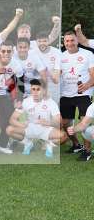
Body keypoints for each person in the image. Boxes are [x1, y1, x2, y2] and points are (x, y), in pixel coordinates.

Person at [6, 79, 67, 158]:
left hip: (45, 129)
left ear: (43, 90)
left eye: (38, 89)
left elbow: (59, 121)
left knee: (64, 136)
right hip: (29, 128)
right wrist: (21, 125)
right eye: (33, 89)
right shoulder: (26, 101)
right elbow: (12, 119)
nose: (35, 92)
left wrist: (48, 123)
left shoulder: (50, 102)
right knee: (9, 129)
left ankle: (49, 144)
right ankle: (28, 143)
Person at [60, 31, 94, 161]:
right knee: (65, 123)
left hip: (83, 93)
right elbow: (58, 74)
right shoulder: (61, 56)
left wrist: (87, 85)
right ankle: (76, 145)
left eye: (72, 40)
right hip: (66, 94)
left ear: (77, 41)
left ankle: (87, 151)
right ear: (64, 42)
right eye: (67, 41)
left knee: (84, 121)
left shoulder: (87, 54)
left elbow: (93, 75)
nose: (70, 43)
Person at [35, 31, 61, 102]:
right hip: (37, 88)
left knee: (53, 111)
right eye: (39, 41)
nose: (42, 43)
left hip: (53, 89)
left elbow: (56, 79)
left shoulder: (57, 52)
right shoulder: (33, 52)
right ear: (36, 42)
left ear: (48, 41)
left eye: (44, 41)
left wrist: (48, 72)